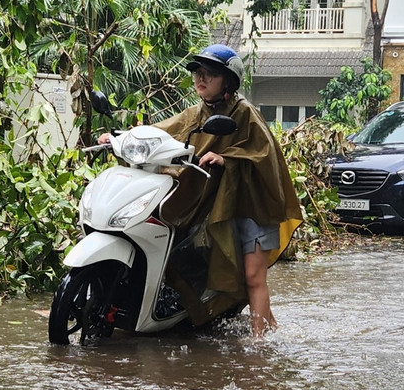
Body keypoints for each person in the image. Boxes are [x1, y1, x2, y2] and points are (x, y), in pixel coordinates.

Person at [98, 44, 302, 337]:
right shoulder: (196, 113)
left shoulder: (247, 114)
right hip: (220, 205)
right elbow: (161, 131)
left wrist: (227, 158)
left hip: (254, 206)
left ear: (229, 81)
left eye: (209, 74)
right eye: (197, 73)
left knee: (254, 277)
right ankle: (270, 328)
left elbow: (264, 156)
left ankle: (260, 351)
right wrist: (121, 137)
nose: (200, 79)